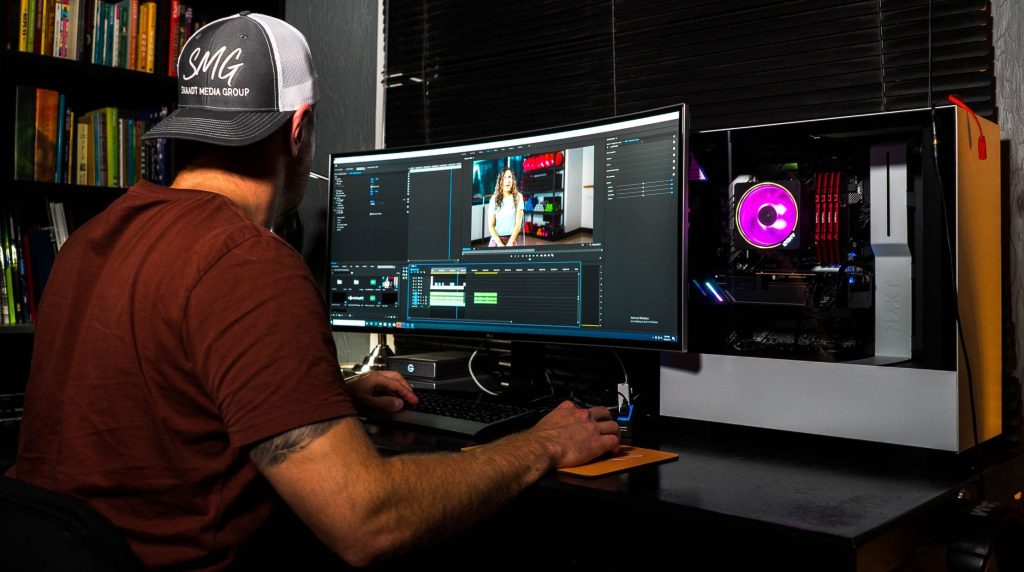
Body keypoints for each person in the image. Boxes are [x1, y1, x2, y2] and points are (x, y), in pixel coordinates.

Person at [9, 12, 619, 570]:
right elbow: (366, 521)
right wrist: (539, 445)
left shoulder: (89, 241)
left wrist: (330, 396)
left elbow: (150, 406)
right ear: (299, 130)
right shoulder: (245, 261)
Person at [488, 167, 525, 247]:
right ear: (500, 181)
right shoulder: (493, 199)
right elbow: (491, 226)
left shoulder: (518, 197)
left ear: (513, 180)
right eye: (504, 177)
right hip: (496, 239)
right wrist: (499, 243)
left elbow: (518, 224)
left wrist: (511, 242)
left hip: (511, 239)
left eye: (509, 177)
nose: (507, 180)